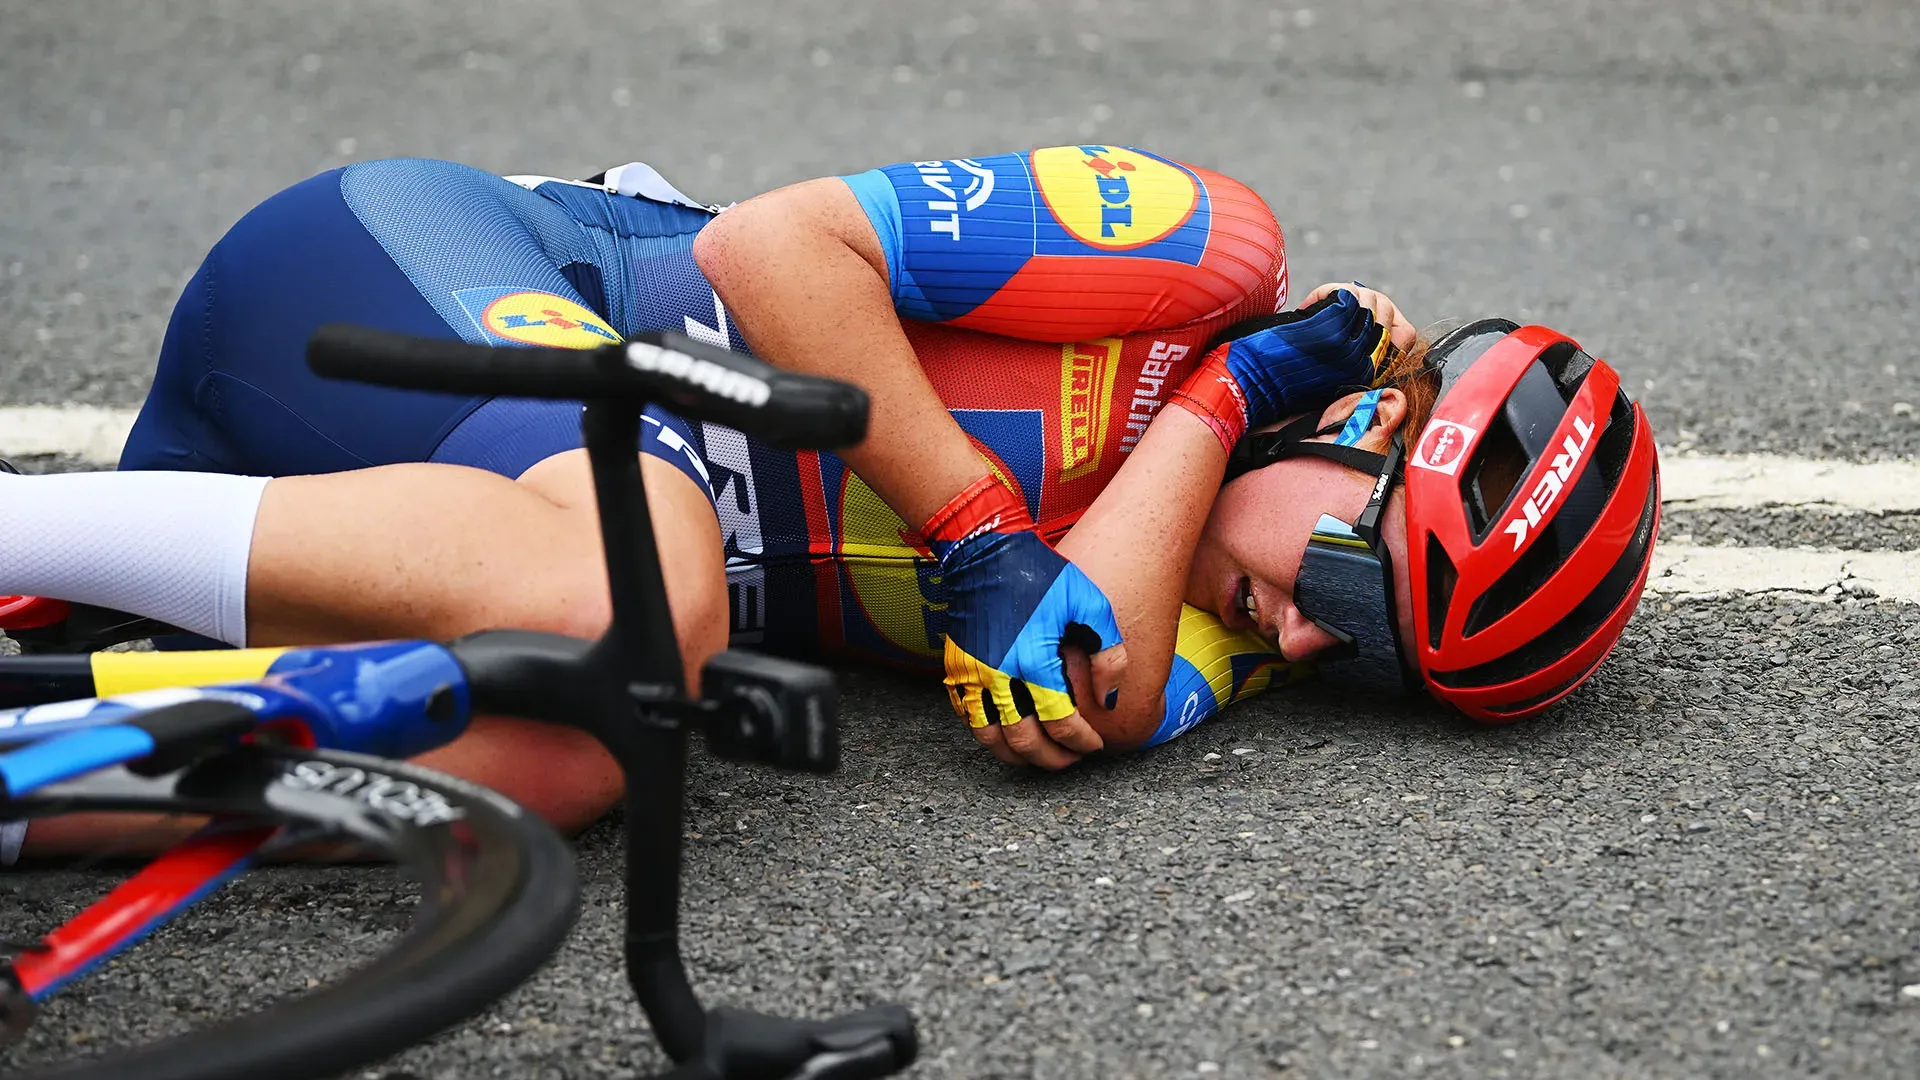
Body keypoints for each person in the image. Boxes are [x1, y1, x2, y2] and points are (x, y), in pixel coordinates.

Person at [0, 147, 1660, 842]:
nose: (1306, 644)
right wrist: (980, 524)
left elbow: (1093, 681)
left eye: (1371, 658)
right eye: (1355, 591)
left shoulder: (1217, 577)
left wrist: (1226, 411)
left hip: (448, 509)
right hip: (404, 273)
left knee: (584, 745)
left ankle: (24, 791)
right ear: (1372, 421)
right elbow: (770, 243)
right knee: (639, 599)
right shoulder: (1200, 247)